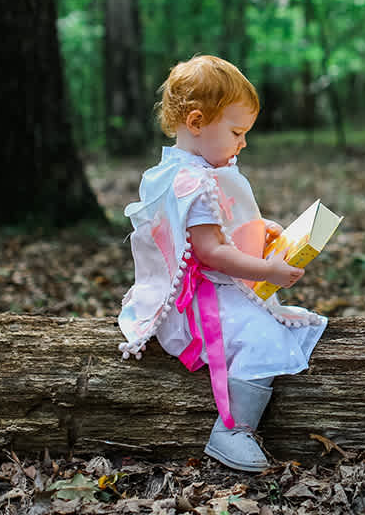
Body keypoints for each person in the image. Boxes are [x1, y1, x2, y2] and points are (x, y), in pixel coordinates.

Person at [117, 55, 327, 472]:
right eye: (236, 132)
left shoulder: (181, 169)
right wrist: (267, 270)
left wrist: (256, 227)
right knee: (263, 338)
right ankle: (232, 430)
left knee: (272, 327)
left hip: (210, 287)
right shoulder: (192, 182)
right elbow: (210, 251)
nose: (242, 143)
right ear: (196, 123)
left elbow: (212, 230)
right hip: (198, 305)